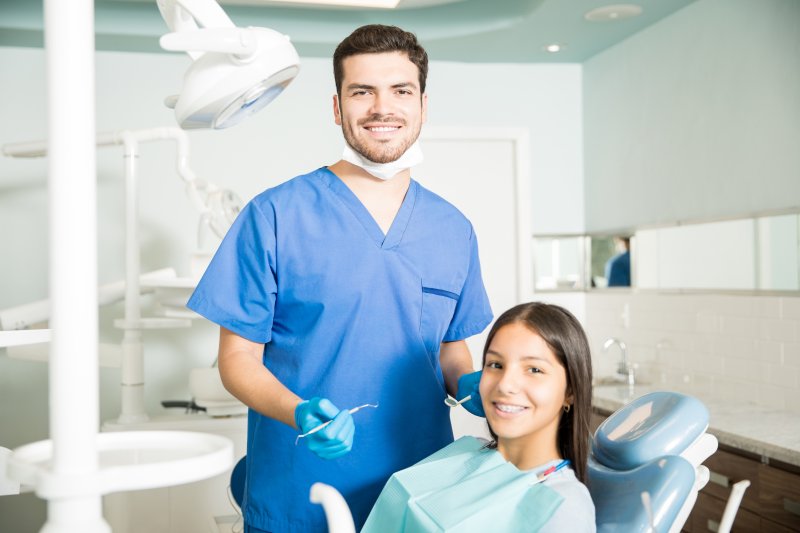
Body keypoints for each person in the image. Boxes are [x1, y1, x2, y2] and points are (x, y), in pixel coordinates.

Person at [186, 24, 492, 532]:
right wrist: (297, 411)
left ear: (421, 105)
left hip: (418, 497)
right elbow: (237, 360)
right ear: (337, 108)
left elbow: (449, 350)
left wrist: (471, 386)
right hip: (298, 495)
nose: (382, 107)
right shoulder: (275, 216)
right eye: (362, 91)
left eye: (400, 91)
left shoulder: (453, 229)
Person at [362, 302, 596, 532]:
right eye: (495, 364)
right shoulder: (466, 454)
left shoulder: (563, 505)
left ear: (570, 392)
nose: (505, 384)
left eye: (534, 369)